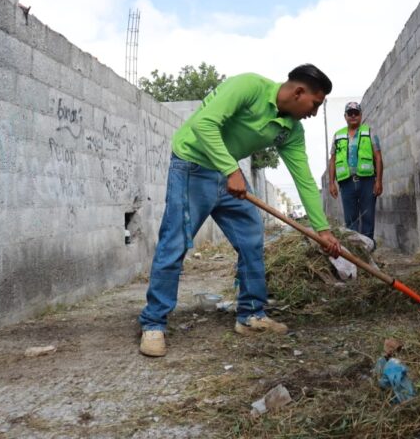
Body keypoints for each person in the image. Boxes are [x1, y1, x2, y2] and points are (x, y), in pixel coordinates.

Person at [139, 64, 342, 357]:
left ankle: (251, 314)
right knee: (174, 242)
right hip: (192, 166)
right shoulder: (249, 87)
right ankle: (153, 323)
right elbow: (204, 124)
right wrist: (231, 170)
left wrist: (322, 230)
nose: (314, 113)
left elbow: (304, 180)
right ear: (299, 92)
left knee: (251, 237)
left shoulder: (290, 130)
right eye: (315, 103)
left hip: (227, 173)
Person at [328, 101, 383, 242]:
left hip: (367, 181)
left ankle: (368, 251)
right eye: (350, 113)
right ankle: (355, 253)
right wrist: (331, 183)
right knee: (350, 220)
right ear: (345, 116)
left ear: (361, 115)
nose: (353, 116)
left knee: (368, 218)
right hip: (346, 184)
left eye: (356, 113)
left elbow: (378, 157)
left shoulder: (369, 132)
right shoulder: (338, 135)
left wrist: (379, 181)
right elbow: (332, 160)